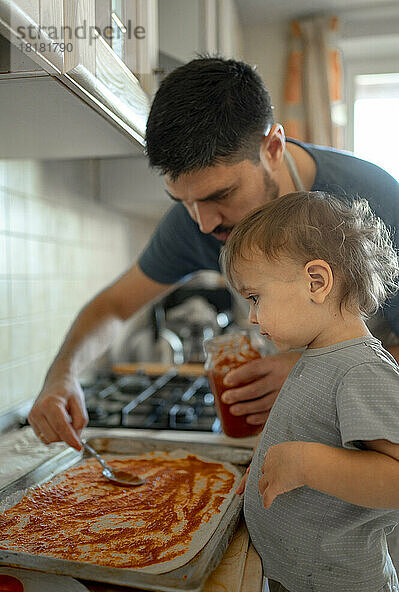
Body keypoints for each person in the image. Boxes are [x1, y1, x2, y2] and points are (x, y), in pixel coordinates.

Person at [28, 56, 399, 450]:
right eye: (182, 201)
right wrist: (62, 374)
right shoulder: (197, 220)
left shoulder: (374, 202)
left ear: (272, 147)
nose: (203, 224)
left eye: (221, 195)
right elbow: (114, 307)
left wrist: (319, 372)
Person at [221, 190, 399, 592]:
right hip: (303, 577)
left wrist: (305, 464)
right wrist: (270, 470)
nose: (251, 316)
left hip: (340, 589)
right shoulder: (319, 355)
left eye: (255, 297)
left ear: (315, 282)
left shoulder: (361, 369)